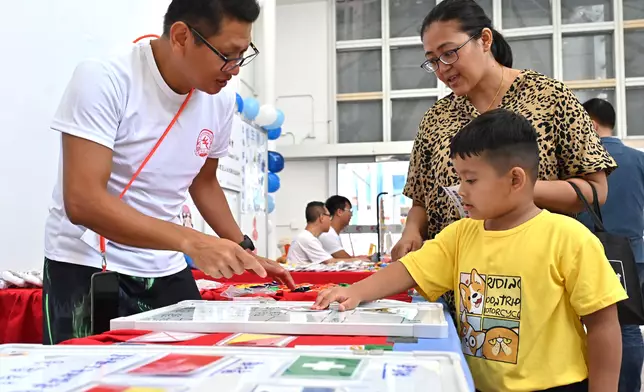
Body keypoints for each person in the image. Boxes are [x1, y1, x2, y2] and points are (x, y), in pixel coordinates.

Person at [314, 109, 626, 392]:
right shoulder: (462, 234)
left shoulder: (568, 238)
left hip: (556, 387)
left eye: (471, 180)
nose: (460, 190)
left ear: (515, 178)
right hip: (476, 383)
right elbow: (410, 269)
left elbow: (603, 325)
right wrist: (356, 291)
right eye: (460, 178)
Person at [43, 0, 294, 345]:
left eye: (243, 54)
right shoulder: (105, 79)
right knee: (90, 375)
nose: (235, 69)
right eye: (226, 54)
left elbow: (204, 182)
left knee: (192, 366)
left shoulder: (220, 98)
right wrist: (194, 242)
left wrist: (244, 250)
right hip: (88, 264)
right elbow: (83, 202)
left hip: (166, 263)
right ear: (180, 36)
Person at [391, 0, 616, 315]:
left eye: (449, 52)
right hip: (456, 288)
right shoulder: (436, 117)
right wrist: (411, 233)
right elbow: (421, 199)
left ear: (484, 40)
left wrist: (512, 189)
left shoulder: (549, 98)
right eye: (433, 61)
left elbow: (595, 191)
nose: (442, 69)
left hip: (534, 285)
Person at [578, 98, 644, 392]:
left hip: (587, 252)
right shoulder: (638, 159)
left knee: (592, 325)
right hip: (632, 255)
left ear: (590, 124)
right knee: (628, 326)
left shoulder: (582, 163)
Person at [287, 202, 366, 265]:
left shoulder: (308, 237)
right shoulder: (307, 238)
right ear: (321, 217)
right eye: (329, 216)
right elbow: (330, 262)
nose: (330, 220)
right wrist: (358, 260)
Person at [319, 195, 368, 260]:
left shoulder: (333, 233)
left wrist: (361, 258)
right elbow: (348, 260)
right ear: (339, 212)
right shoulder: (328, 234)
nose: (351, 214)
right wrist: (367, 259)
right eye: (349, 211)